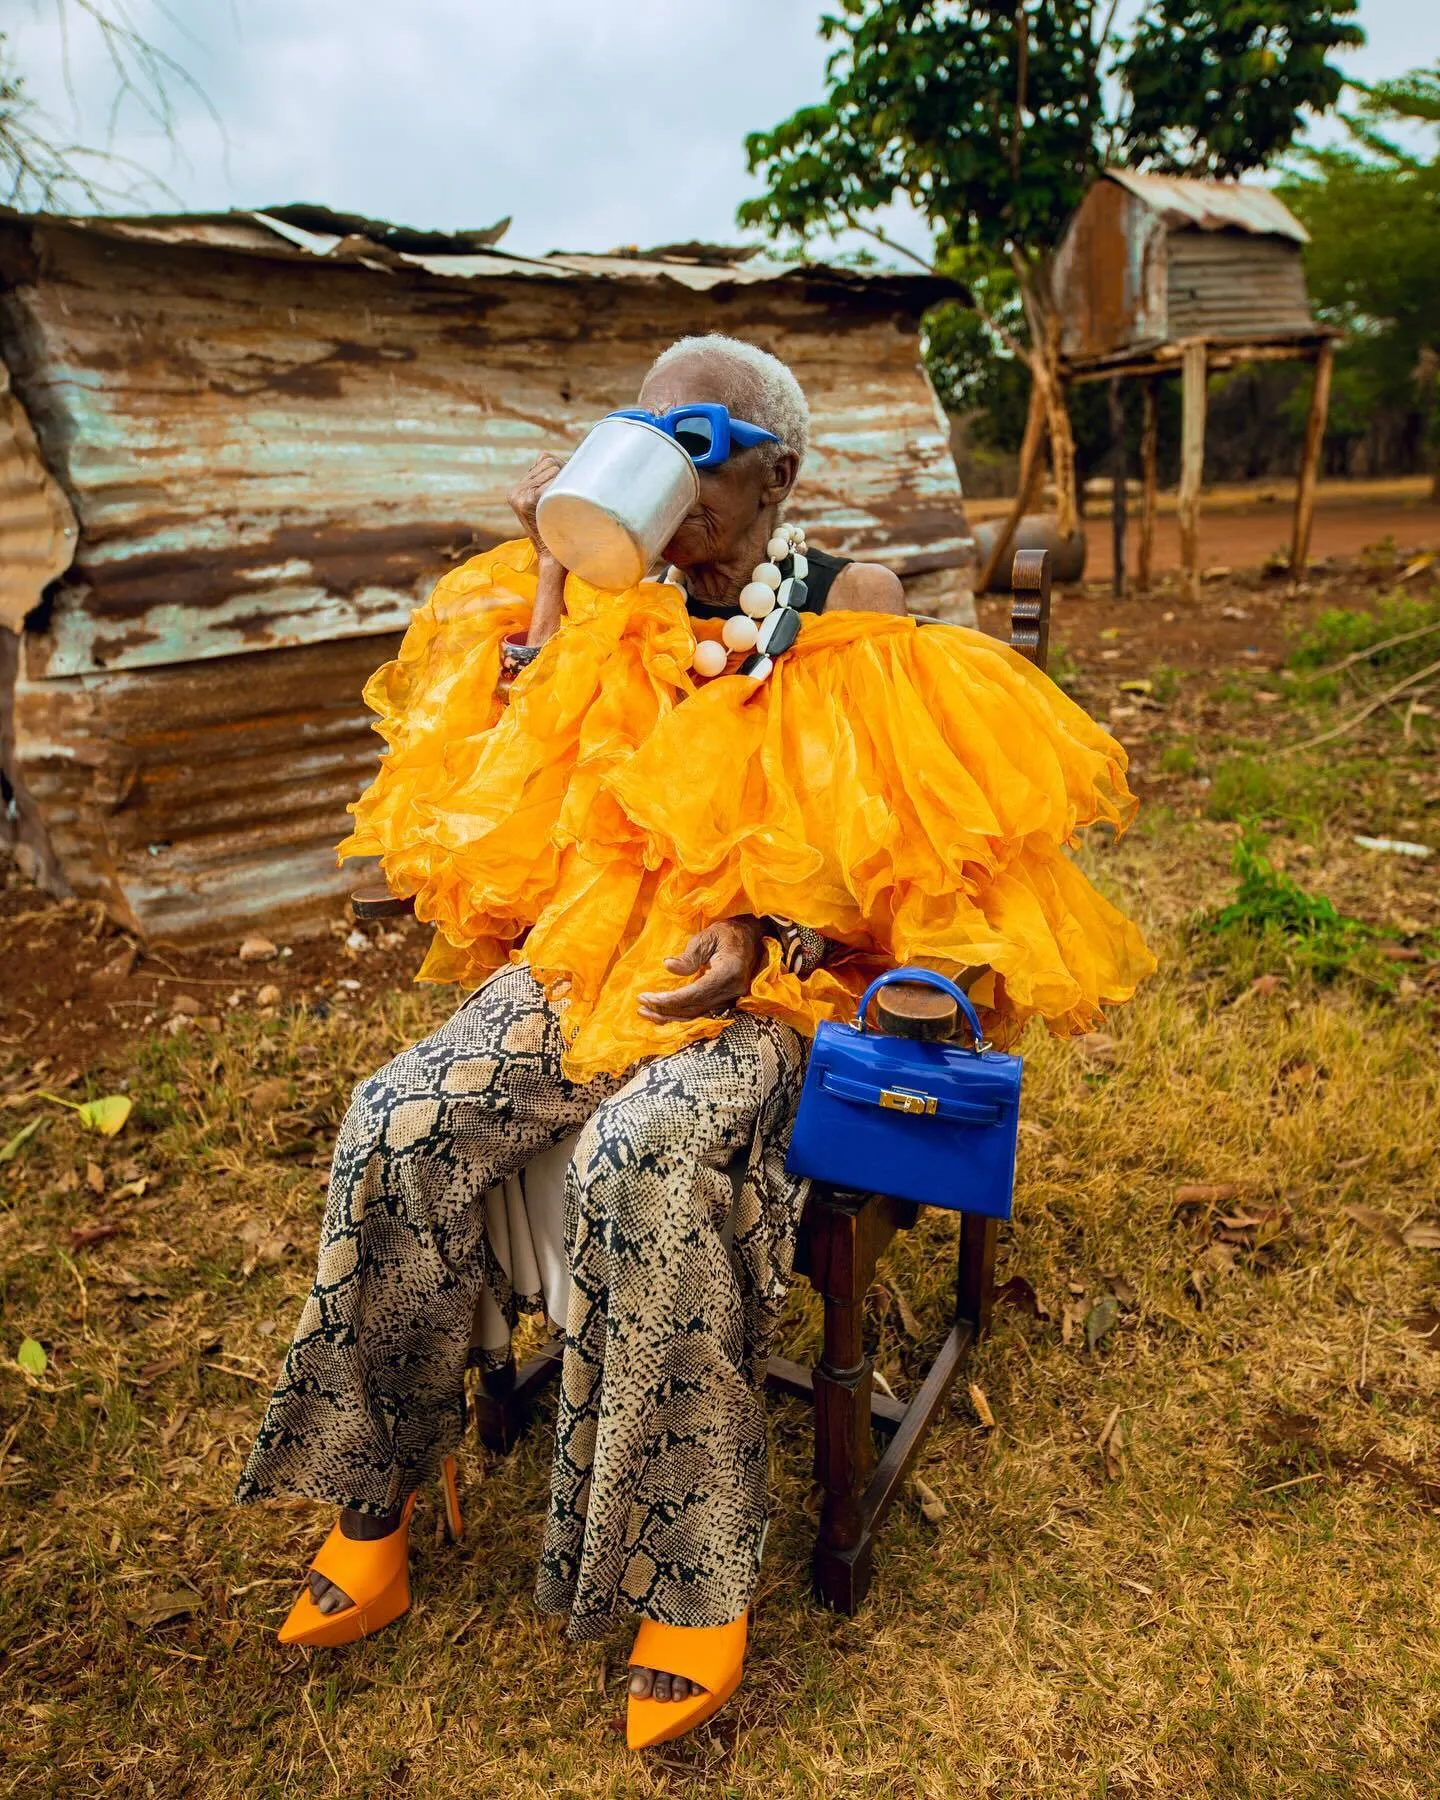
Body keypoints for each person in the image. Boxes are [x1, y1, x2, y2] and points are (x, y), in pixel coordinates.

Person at [236, 334, 1154, 1749]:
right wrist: (554, 565)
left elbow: (888, 856)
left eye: (704, 446)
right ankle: (378, 1494)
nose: (675, 474)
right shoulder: (612, 596)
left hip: (775, 982)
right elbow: (503, 778)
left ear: (780, 471)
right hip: (595, 951)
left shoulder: (845, 600)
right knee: (397, 1116)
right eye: (647, 437)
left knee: (647, 1158)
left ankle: (691, 1569)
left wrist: (766, 937)